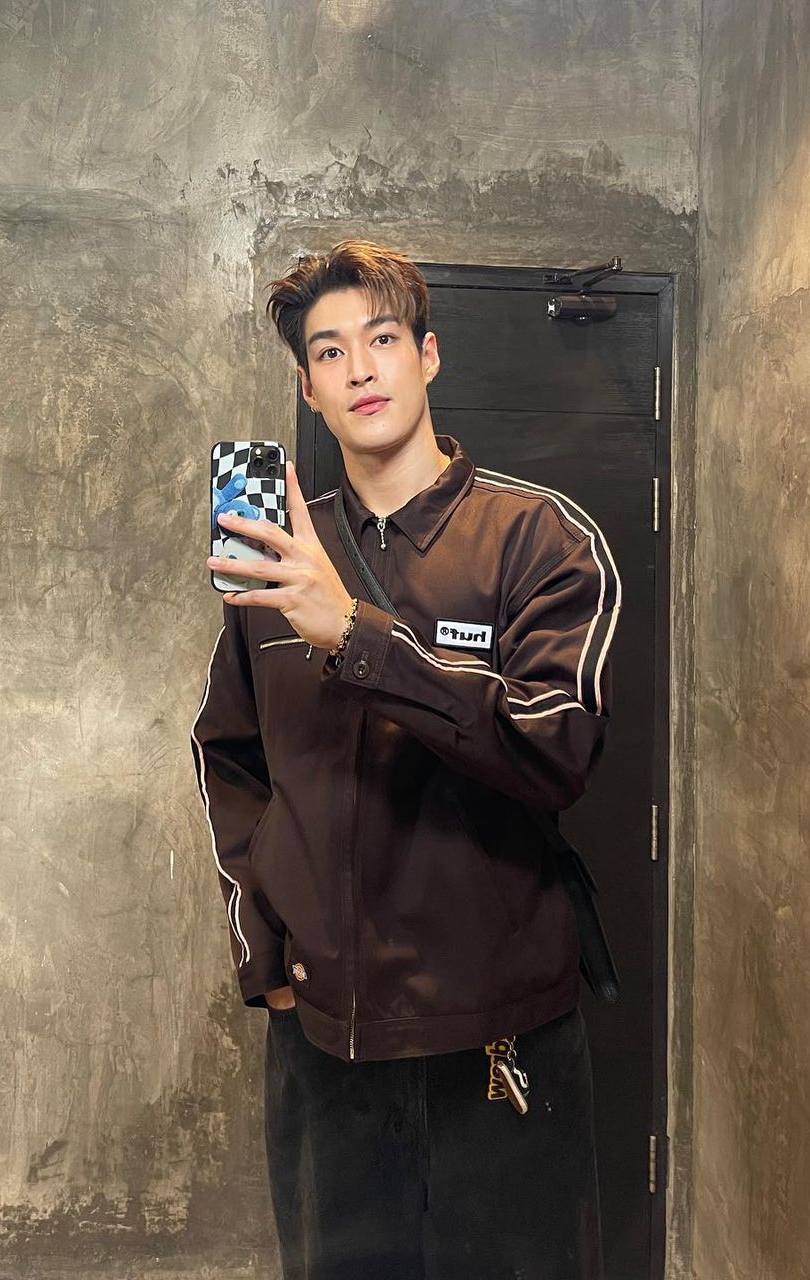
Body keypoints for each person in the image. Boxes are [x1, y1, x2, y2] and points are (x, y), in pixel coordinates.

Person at [190, 240, 620, 1278]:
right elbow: (228, 756)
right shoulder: (279, 557)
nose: (360, 369)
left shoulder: (539, 540)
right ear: (309, 388)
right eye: (330, 352)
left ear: (427, 355)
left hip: (497, 1041)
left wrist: (358, 635)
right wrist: (264, 960)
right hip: (323, 1044)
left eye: (381, 339)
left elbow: (555, 748)